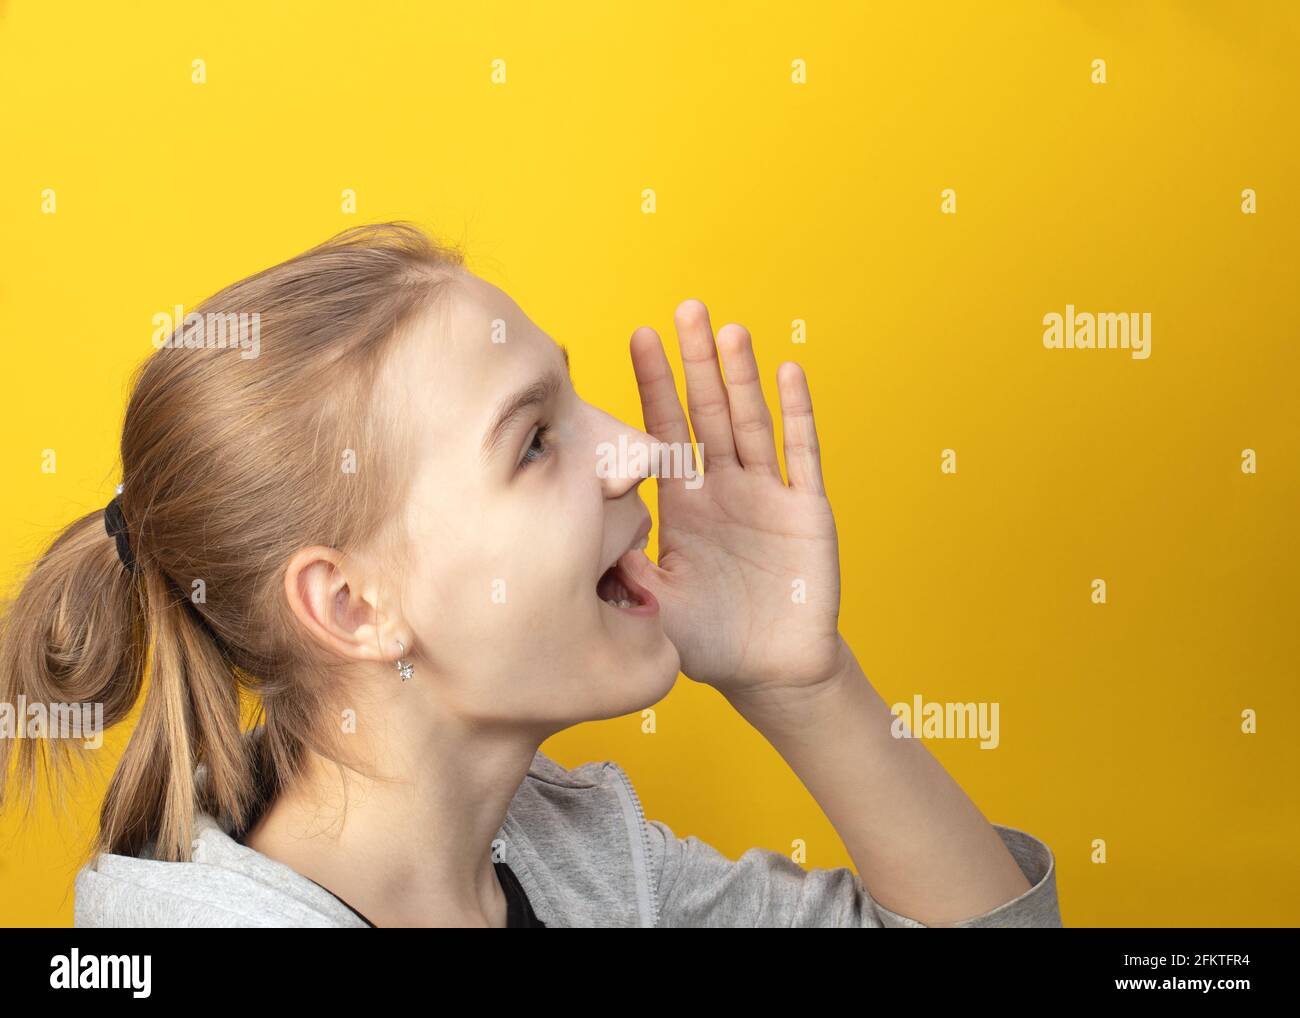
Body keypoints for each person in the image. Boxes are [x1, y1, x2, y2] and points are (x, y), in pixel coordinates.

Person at [0, 223, 1061, 927]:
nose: (639, 454)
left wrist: (805, 686)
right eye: (535, 442)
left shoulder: (583, 861)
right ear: (353, 605)